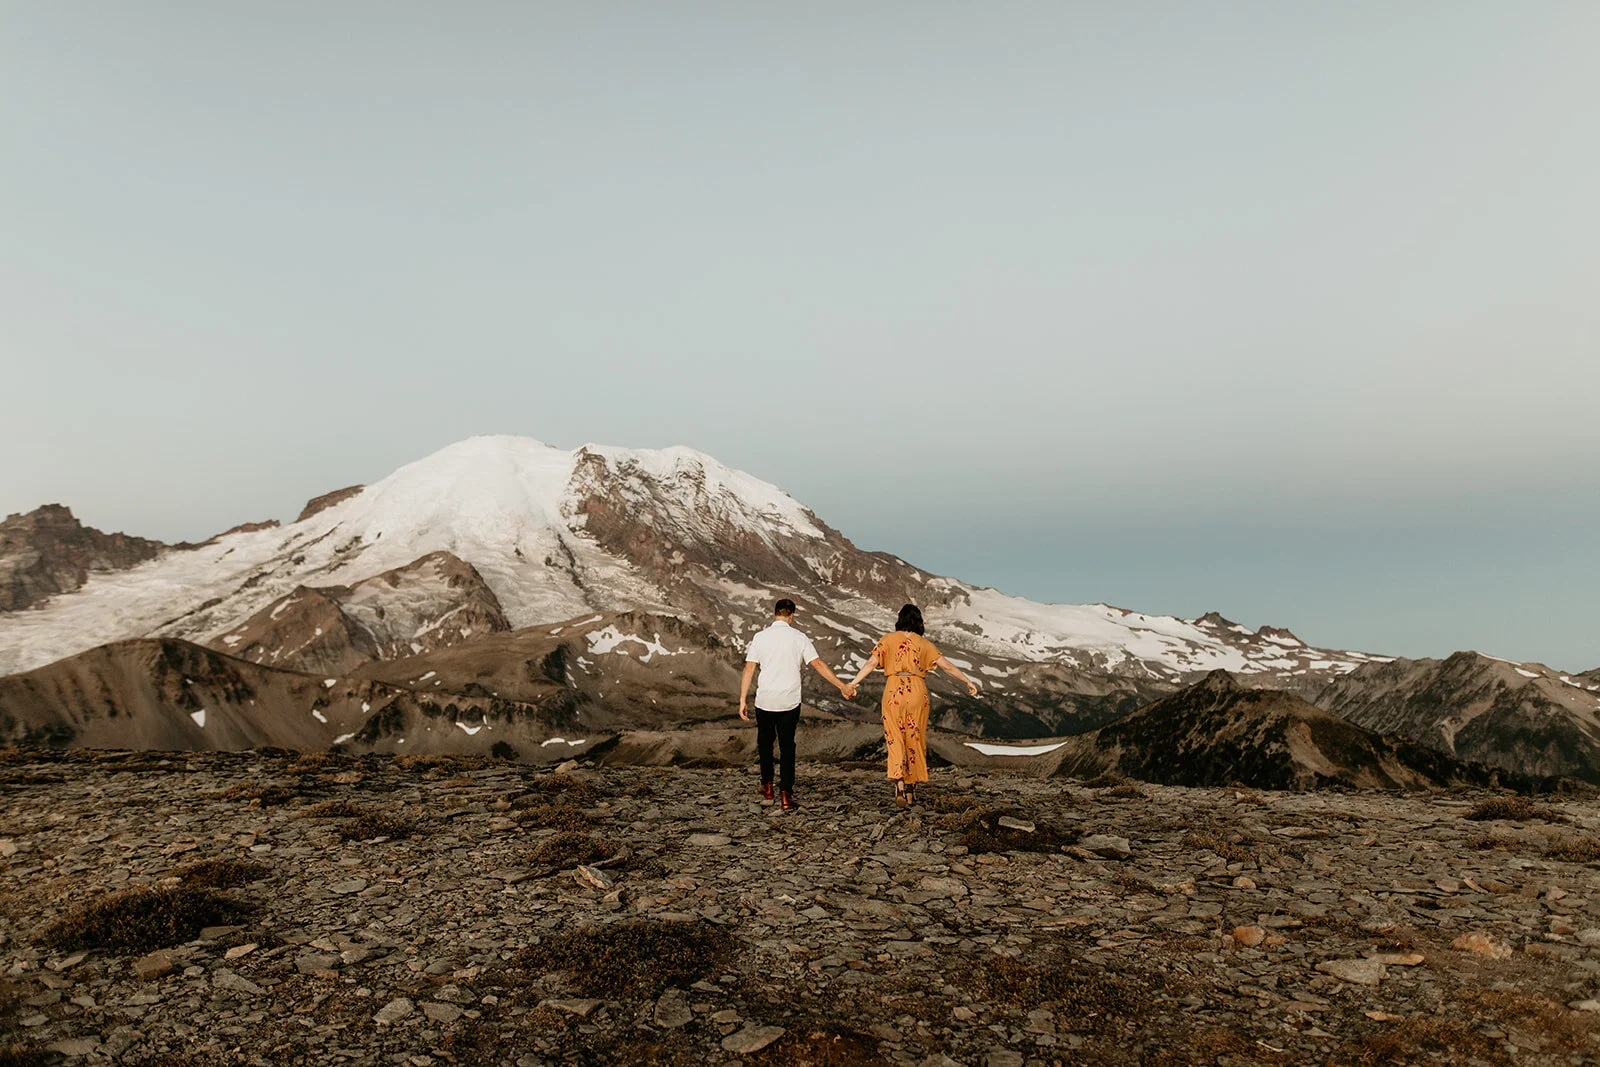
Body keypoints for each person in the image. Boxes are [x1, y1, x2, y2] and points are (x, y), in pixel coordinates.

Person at [844, 603, 978, 807]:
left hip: (893, 689)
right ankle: (911, 789)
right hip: (917, 690)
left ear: (900, 619)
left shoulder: (888, 639)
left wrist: (853, 683)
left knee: (894, 736)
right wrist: (968, 682)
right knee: (915, 737)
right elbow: (947, 666)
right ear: (919, 622)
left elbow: (871, 663)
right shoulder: (924, 643)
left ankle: (898, 782)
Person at [738, 598, 851, 811]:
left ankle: (767, 787)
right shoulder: (799, 637)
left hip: (765, 700)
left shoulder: (760, 637)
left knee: (765, 744)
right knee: (787, 747)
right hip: (789, 701)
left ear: (774, 614)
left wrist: (743, 699)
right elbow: (817, 663)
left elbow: (749, 669)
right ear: (792, 615)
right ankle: (786, 796)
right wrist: (841, 686)